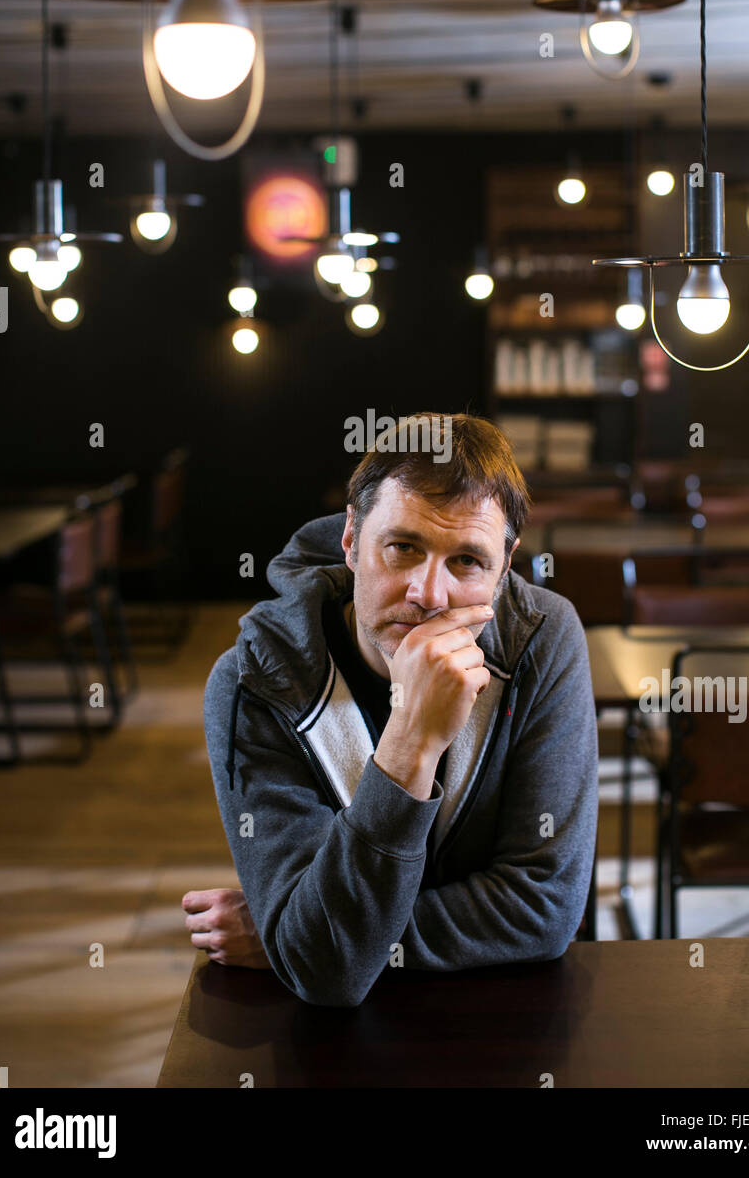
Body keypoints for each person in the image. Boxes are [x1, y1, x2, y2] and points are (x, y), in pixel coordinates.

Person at [184, 412, 598, 1007]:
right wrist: (410, 741)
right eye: (402, 547)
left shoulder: (542, 639)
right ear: (351, 540)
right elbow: (324, 972)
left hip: (513, 1019)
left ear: (503, 569)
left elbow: (545, 909)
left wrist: (301, 935)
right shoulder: (256, 681)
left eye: (467, 561)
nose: (429, 594)